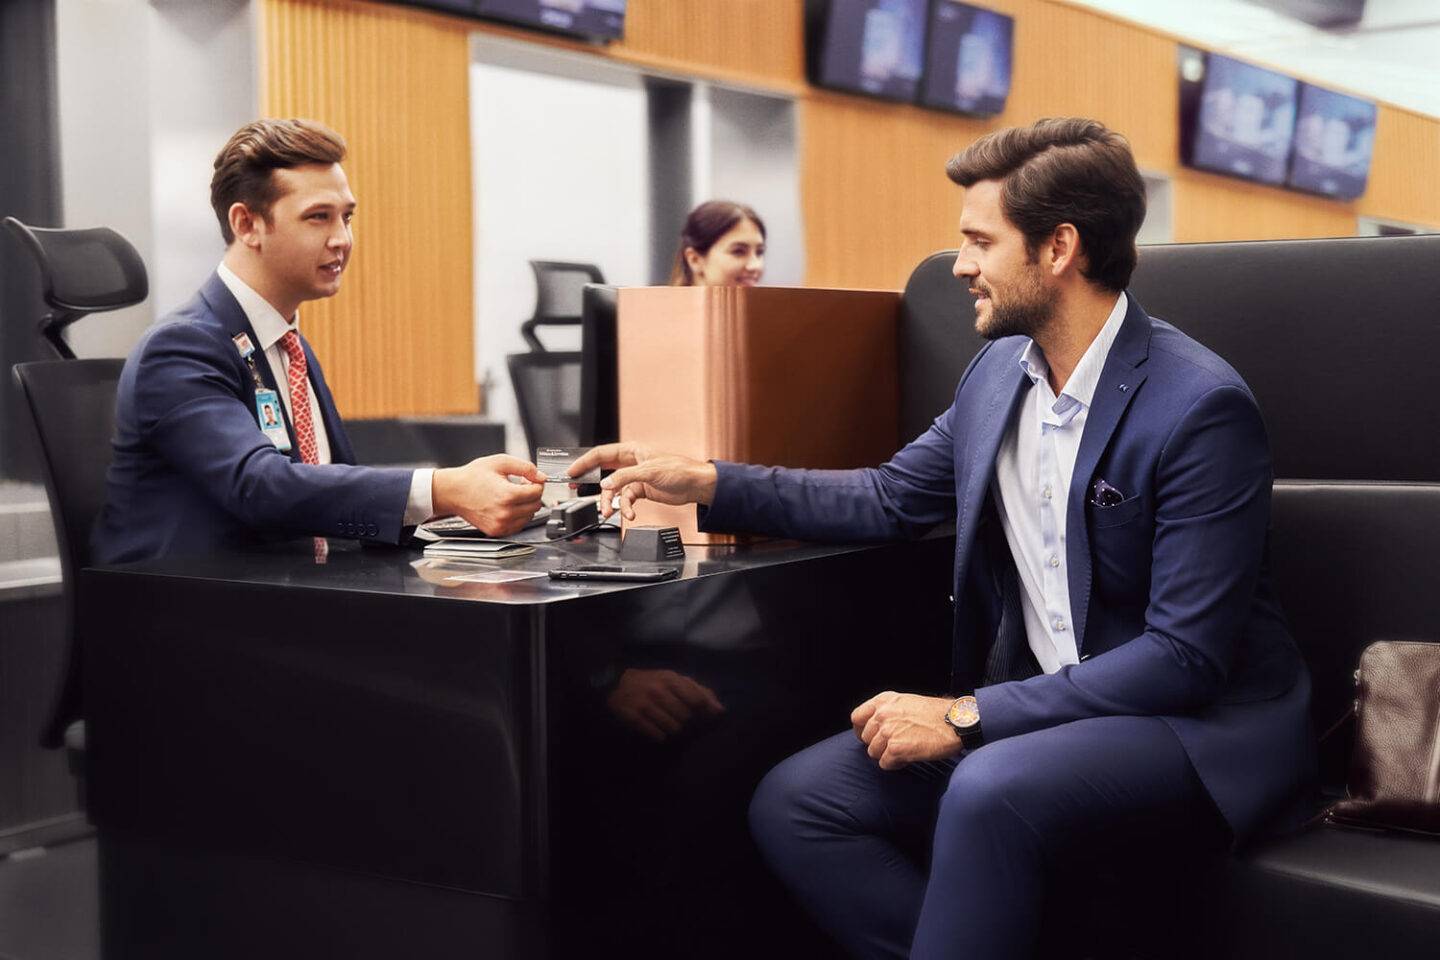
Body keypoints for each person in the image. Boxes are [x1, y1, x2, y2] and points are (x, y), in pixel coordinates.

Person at [568, 117, 1313, 959]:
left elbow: (1184, 659)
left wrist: (965, 717)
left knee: (991, 787)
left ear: (1059, 247)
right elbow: (888, 497)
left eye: (978, 241)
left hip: (1193, 725)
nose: (959, 266)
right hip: (1043, 716)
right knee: (798, 801)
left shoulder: (1200, 406)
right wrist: (709, 479)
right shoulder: (999, 372)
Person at [94, 119, 544, 565]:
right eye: (318, 218)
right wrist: (442, 490)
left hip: (299, 595)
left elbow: (326, 487)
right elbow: (261, 487)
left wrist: (459, 517)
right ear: (247, 224)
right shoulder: (180, 348)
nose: (342, 240)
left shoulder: (288, 345)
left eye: (346, 217)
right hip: (203, 612)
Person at [669, 200, 766, 286]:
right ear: (695, 259)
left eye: (759, 252)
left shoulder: (769, 306)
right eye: (738, 251)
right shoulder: (663, 306)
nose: (755, 265)